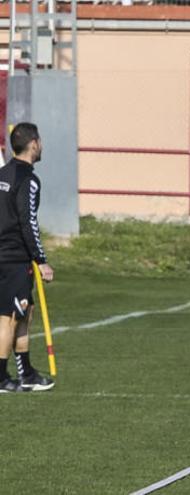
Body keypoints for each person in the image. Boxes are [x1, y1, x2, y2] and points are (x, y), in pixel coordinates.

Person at [0, 122, 55, 393]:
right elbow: (27, 221)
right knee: (9, 317)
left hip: (4, 256)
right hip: (14, 258)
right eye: (40, 140)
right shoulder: (28, 180)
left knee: (24, 312)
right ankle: (1, 378)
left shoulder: (3, 173)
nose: (41, 145)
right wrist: (40, 259)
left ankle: (27, 372)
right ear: (33, 143)